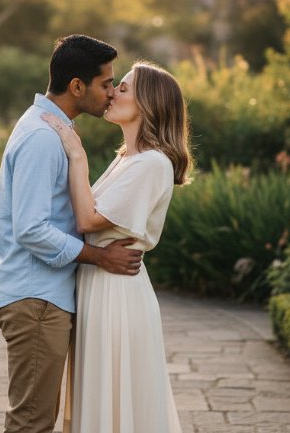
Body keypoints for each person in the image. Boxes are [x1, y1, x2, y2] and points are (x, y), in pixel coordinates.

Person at [0, 34, 144, 433]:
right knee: (32, 422)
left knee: (37, 418)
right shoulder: (43, 138)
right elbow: (31, 229)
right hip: (35, 298)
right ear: (77, 86)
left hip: (40, 296)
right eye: (106, 83)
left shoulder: (50, 129)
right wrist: (100, 257)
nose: (111, 93)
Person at [42, 60, 190, 433]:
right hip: (99, 285)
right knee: (99, 395)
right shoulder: (126, 159)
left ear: (148, 103)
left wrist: (76, 155)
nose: (112, 93)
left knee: (117, 397)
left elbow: (89, 221)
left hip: (118, 295)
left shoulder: (153, 163)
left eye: (123, 87)